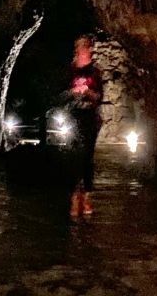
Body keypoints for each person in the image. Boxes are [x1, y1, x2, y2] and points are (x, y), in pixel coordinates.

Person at [65, 35, 103, 218]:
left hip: (89, 118)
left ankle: (86, 195)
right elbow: (61, 93)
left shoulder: (95, 72)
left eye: (85, 47)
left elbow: (99, 96)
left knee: (87, 156)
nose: (82, 50)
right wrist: (72, 93)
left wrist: (89, 93)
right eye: (79, 47)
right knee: (73, 156)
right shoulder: (70, 71)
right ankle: (74, 195)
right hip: (74, 117)